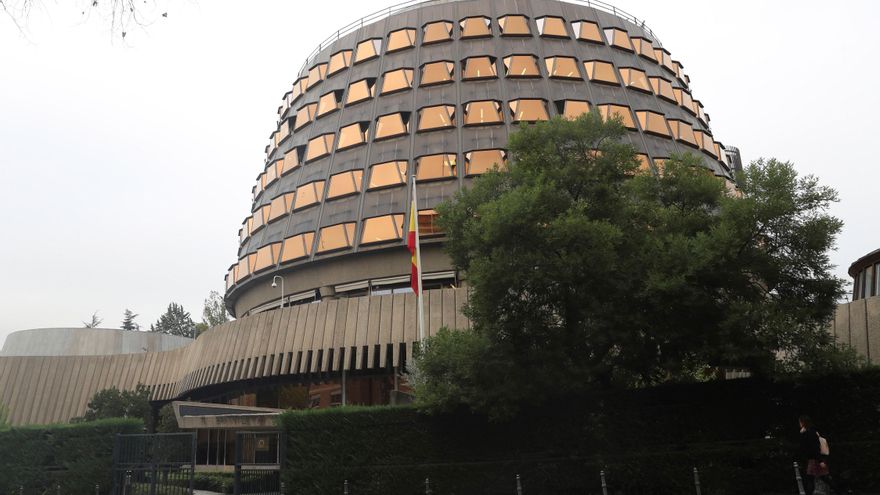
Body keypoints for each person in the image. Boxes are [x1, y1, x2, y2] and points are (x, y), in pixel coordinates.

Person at [799, 415, 830, 494]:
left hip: (814, 459)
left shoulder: (808, 433)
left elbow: (814, 448)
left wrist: (820, 461)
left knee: (810, 479)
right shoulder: (812, 432)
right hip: (816, 458)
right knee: (823, 477)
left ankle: (839, 490)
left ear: (802, 423)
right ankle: (839, 490)